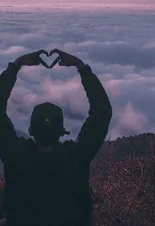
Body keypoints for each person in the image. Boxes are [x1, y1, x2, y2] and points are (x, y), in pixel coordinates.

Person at [0, 48, 112, 226]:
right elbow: (102, 112)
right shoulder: (76, 157)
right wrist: (81, 67)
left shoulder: (15, 156)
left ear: (30, 130)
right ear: (62, 131)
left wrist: (16, 66)